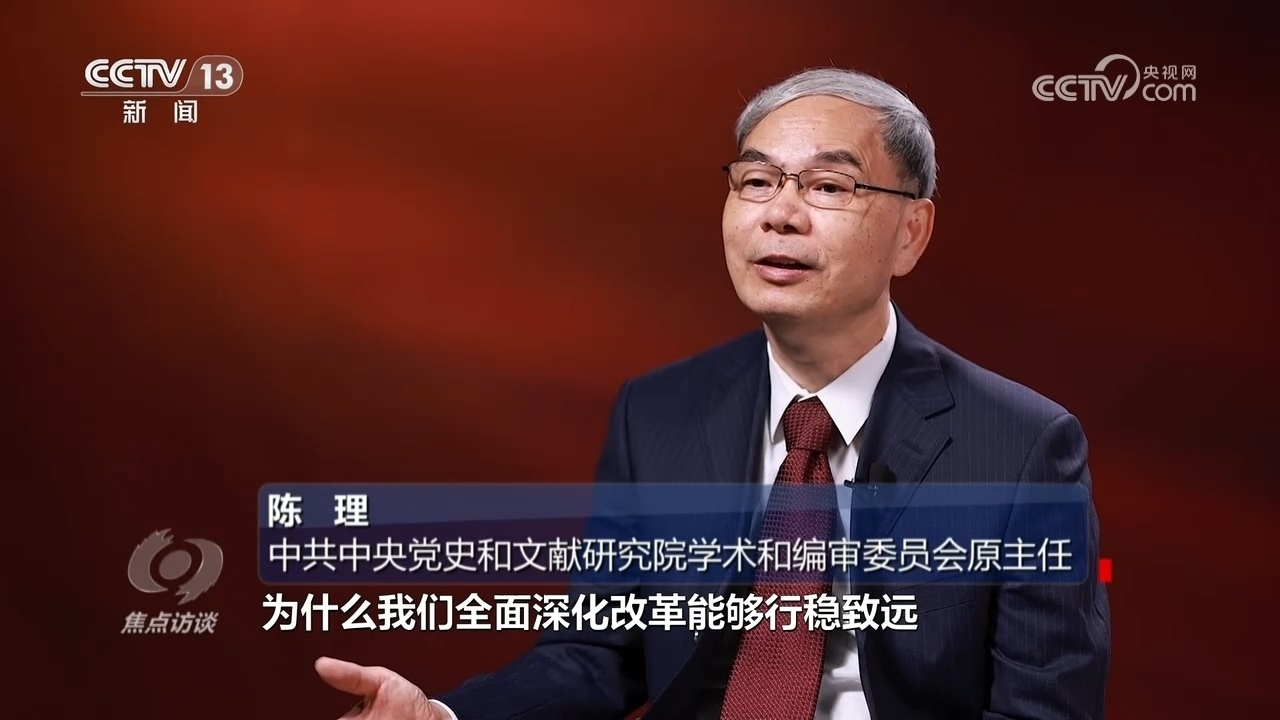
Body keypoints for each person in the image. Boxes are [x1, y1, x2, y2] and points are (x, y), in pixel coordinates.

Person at [313, 66, 1111, 720]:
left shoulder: (1021, 445)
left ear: (912, 232)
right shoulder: (658, 413)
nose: (780, 215)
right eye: (756, 180)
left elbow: (1043, 710)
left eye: (829, 187)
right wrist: (445, 717)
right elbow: (599, 651)